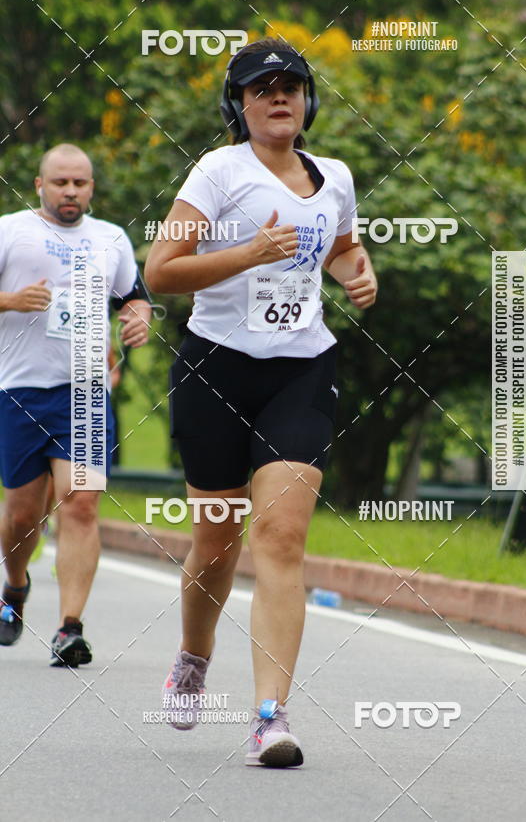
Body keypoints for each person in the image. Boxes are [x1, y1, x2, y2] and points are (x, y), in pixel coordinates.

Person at [145, 37, 377, 767]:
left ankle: (271, 718)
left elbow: (336, 243)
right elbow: (161, 272)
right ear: (238, 105)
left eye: (292, 85)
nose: (279, 95)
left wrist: (354, 271)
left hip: (301, 370)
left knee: (280, 538)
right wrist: (246, 254)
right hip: (216, 370)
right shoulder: (219, 172)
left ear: (308, 101)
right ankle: (191, 655)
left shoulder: (333, 175)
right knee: (216, 542)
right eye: (262, 87)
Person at [0, 143, 152, 666]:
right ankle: (15, 585)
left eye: (80, 183)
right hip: (19, 390)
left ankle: (69, 629)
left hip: (87, 390)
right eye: (60, 182)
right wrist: (10, 300)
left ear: (91, 188)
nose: (70, 191)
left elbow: (134, 294)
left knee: (81, 503)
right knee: (22, 517)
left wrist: (138, 318)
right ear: (39, 185)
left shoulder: (111, 238)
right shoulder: (10, 231)